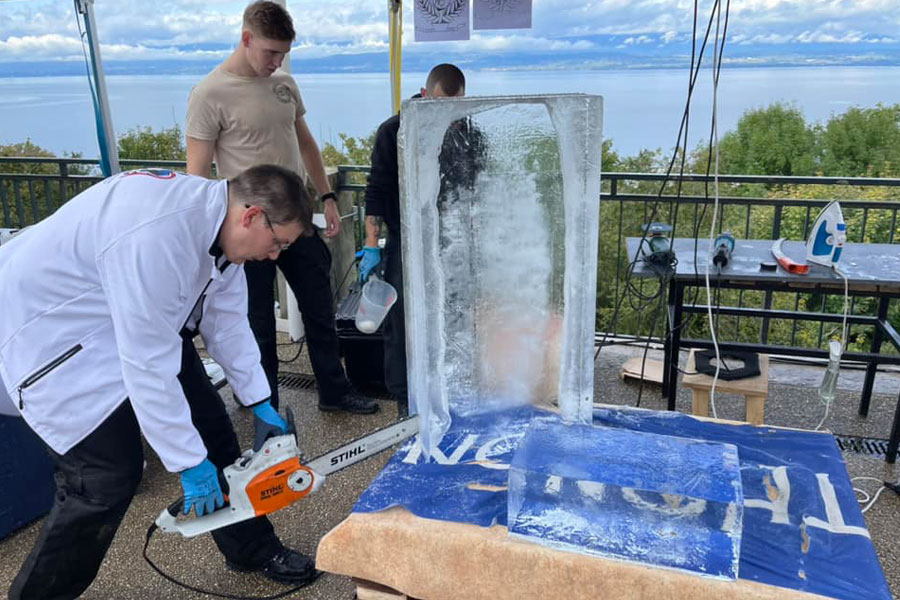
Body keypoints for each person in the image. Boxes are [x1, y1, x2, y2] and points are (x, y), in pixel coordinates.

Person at [1, 165, 320, 599]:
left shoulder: (221, 231)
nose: (276, 255)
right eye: (278, 242)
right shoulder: (157, 235)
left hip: (127, 321)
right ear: (251, 216)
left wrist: (258, 399)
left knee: (215, 434)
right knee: (102, 481)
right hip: (47, 333)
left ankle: (250, 548)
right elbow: (147, 364)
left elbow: (226, 324)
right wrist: (186, 462)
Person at [186, 0, 377, 415]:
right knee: (256, 324)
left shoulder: (285, 84)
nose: (277, 61)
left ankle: (334, 392)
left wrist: (326, 197)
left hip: (297, 219)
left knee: (321, 309)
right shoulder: (208, 94)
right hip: (247, 228)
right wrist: (204, 242)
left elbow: (306, 143)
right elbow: (197, 177)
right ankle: (264, 405)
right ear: (246, 38)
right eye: (270, 51)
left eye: (283, 53)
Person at [360, 64, 468, 408]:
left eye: (456, 108)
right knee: (402, 323)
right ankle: (405, 398)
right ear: (425, 94)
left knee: (453, 316)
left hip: (451, 239)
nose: (448, 116)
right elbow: (376, 190)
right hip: (404, 240)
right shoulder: (394, 131)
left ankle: (448, 387)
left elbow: (474, 190)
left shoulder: (468, 133)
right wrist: (370, 245)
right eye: (441, 106)